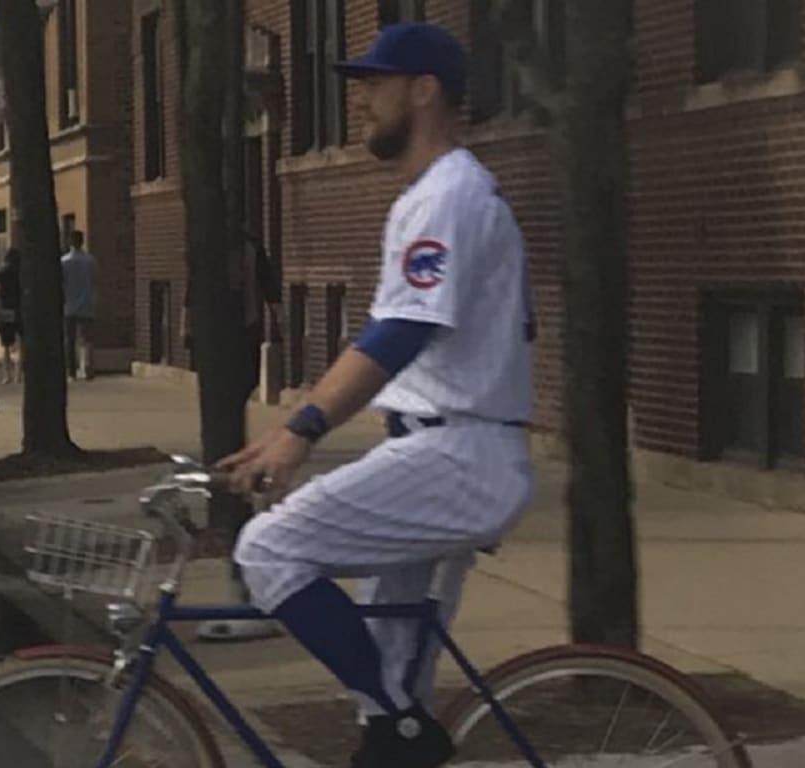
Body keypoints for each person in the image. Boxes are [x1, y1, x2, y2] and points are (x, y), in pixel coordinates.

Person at [216, 23, 535, 768]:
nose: (361, 97)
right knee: (387, 687)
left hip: (457, 453)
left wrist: (300, 431)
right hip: (442, 446)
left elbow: (397, 335)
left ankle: (404, 730)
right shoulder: (435, 195)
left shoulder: (449, 197)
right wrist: (278, 436)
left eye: (375, 81)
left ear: (424, 90)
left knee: (269, 550)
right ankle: (398, 729)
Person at [60, 230, 98, 380]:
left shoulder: (64, 262)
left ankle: (71, 372)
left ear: (70, 243)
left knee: (69, 340)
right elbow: (96, 281)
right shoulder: (91, 261)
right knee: (87, 338)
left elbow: (61, 283)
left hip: (69, 304)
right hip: (87, 303)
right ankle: (87, 367)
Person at [0, 248, 23, 383]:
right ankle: (18, 375)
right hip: (20, 309)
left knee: (5, 344)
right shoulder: (22, 273)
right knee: (21, 343)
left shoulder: (0, 273)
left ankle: (7, 375)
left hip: (5, 309)